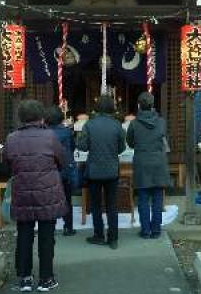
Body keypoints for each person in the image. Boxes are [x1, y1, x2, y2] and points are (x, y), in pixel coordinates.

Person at [3, 99, 68, 292]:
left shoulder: (12, 138)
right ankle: (46, 278)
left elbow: (6, 163)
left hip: (22, 191)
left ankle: (24, 277)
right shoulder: (50, 137)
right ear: (41, 117)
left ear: (21, 118)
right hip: (47, 192)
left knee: (24, 234)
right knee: (47, 236)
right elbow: (62, 160)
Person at [77, 95, 126, 249]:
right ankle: (113, 238)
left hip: (94, 170)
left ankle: (99, 234)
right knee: (112, 205)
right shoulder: (117, 125)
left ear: (97, 108)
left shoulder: (89, 125)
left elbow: (83, 147)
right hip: (112, 169)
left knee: (96, 205)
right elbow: (122, 148)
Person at [126, 92, 171, 239]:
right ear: (152, 106)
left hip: (142, 162)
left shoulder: (133, 124)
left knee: (143, 198)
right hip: (158, 162)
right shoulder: (161, 122)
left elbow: (130, 143)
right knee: (158, 197)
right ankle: (156, 230)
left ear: (139, 105)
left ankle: (145, 230)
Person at [45, 105, 77, 236]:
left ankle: (49, 227)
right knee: (66, 199)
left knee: (49, 199)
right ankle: (68, 227)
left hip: (49, 171)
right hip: (64, 170)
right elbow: (72, 148)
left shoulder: (44, 133)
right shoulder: (67, 132)